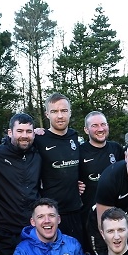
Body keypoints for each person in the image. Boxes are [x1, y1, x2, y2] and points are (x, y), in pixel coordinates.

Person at [0, 113, 41, 255]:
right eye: (20, 131)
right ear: (10, 133)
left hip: (31, 229)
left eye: (29, 132)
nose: (25, 136)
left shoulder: (36, 154)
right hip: (4, 232)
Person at [35, 93, 84, 245]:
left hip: (76, 209)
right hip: (51, 214)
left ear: (70, 112)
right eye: (54, 111)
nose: (60, 116)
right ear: (47, 114)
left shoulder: (74, 136)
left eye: (64, 111)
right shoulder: (39, 139)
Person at [79, 110, 125, 255]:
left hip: (115, 216)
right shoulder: (79, 152)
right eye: (95, 125)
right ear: (86, 130)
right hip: (89, 216)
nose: (100, 129)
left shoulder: (116, 149)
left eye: (103, 124)